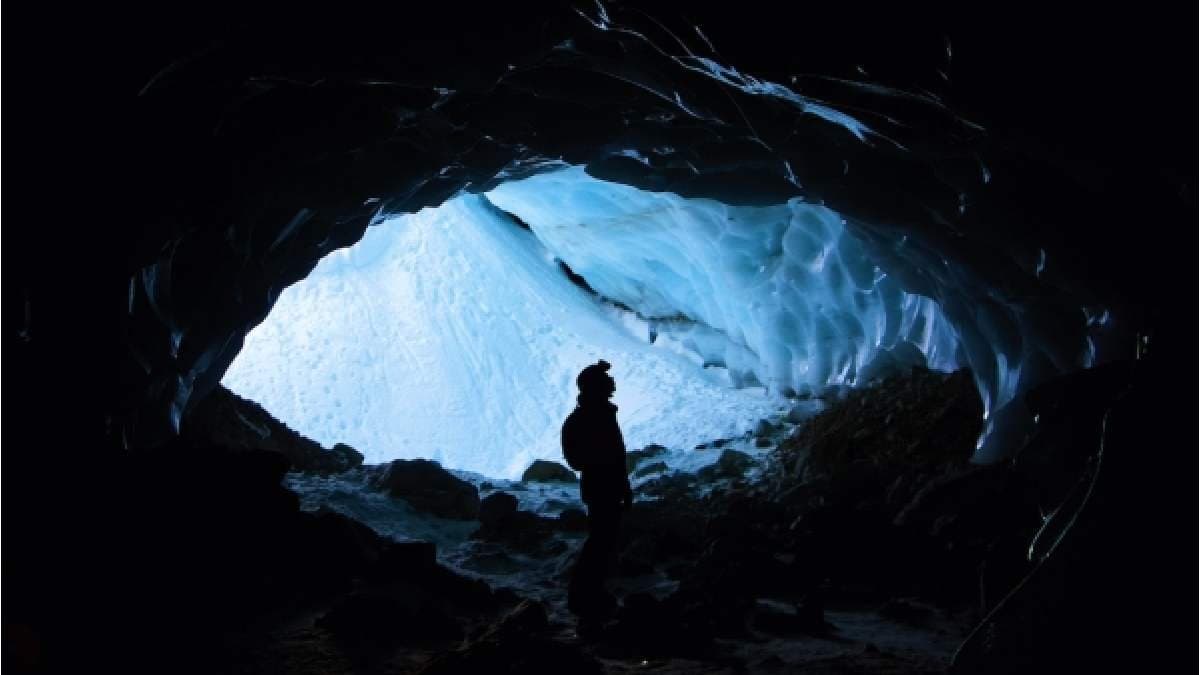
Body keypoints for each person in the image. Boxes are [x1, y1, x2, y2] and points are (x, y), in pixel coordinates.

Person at [562, 359, 633, 627]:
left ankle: (589, 593)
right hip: (601, 485)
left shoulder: (593, 416)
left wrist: (622, 484)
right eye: (606, 380)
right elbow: (585, 458)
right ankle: (584, 594)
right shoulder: (591, 418)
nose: (612, 383)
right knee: (600, 541)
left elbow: (611, 455)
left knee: (603, 541)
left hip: (603, 484)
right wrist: (608, 471)